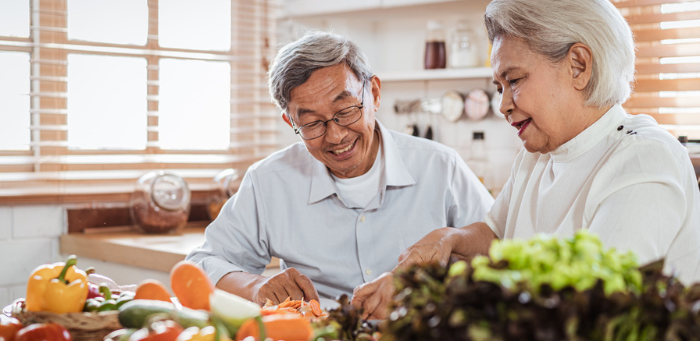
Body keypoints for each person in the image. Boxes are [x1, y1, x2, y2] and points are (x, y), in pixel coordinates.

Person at [355, 0, 700, 318]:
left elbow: (595, 306)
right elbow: (497, 238)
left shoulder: (643, 158)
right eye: (498, 87)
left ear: (578, 66)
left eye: (514, 80)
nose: (503, 104)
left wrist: (443, 294)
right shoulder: (537, 156)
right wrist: (450, 239)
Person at [186, 31, 493, 310]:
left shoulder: (440, 166)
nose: (335, 136)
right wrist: (255, 286)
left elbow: (501, 247)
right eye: (311, 123)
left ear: (373, 93)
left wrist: (445, 248)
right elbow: (201, 264)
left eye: (345, 111)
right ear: (290, 123)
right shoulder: (269, 181)